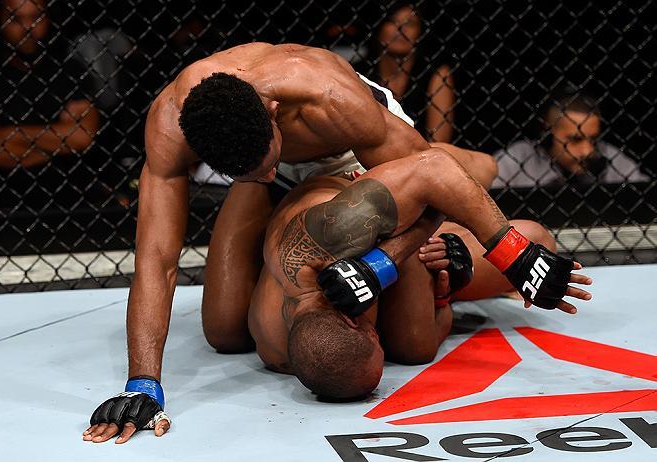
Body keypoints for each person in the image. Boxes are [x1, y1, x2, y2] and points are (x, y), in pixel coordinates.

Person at [83, 42, 560, 443]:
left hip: (352, 154)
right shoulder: (173, 127)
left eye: (267, 161)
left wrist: (386, 262)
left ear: (274, 113)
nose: (270, 171)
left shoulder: (329, 96)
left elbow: (435, 180)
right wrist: (141, 383)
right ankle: (267, 186)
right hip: (277, 181)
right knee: (225, 331)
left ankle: (481, 165)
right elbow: (157, 258)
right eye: (247, 170)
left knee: (453, 189)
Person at [248, 172, 568, 398]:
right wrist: (445, 290)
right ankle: (453, 255)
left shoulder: (323, 249)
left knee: (485, 168)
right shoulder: (283, 351)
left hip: (353, 180)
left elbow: (432, 185)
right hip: (380, 244)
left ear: (351, 320)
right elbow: (424, 338)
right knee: (416, 345)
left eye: (377, 343)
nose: (383, 346)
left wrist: (515, 257)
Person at [0, 0, 98, 171]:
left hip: (66, 189)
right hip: (1, 190)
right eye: (15, 18)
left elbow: (82, 136)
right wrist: (56, 147)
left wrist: (12, 134)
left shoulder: (69, 70)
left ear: (49, 18)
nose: (27, 26)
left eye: (36, 17)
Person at [493, 87, 648, 188]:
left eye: (593, 139)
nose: (588, 151)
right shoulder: (518, 158)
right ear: (547, 132)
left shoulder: (609, 156)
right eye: (575, 139)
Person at [371, 2, 456, 142]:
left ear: (420, 32)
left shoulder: (436, 75)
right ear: (380, 27)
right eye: (393, 21)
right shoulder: (360, 73)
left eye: (410, 24)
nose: (401, 29)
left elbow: (439, 143)